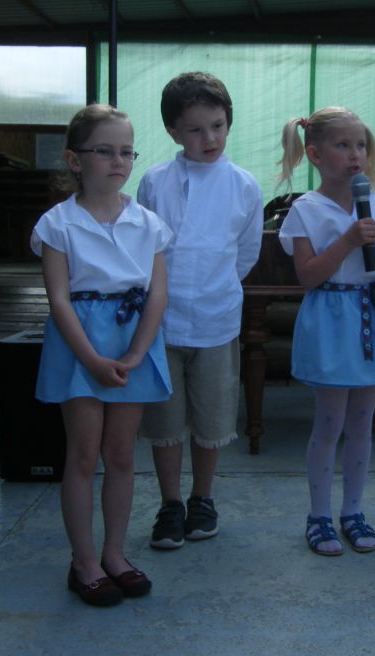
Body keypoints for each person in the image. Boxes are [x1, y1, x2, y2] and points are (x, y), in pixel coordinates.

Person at [31, 104, 173, 606]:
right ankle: (84, 560)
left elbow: (157, 295)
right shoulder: (58, 224)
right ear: (75, 160)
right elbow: (58, 299)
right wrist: (92, 360)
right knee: (83, 453)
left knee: (120, 453)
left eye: (127, 152)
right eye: (105, 151)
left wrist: (137, 353)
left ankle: (115, 553)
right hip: (80, 345)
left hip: (133, 341)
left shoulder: (148, 224)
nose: (119, 161)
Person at [277, 106, 375, 556]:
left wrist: (368, 250)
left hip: (372, 313)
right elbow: (308, 276)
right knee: (330, 421)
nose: (356, 154)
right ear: (315, 154)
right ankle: (318, 516)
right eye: (343, 145)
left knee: (362, 422)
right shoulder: (305, 210)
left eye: (361, 145)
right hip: (332, 317)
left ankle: (353, 511)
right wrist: (349, 239)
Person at [137, 72, 263, 550]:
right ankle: (170, 503)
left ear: (229, 123)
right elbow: (145, 249)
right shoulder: (154, 182)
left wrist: (216, 287)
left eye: (217, 126)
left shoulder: (244, 186)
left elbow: (245, 254)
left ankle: (202, 498)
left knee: (212, 418)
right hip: (162, 322)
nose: (209, 138)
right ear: (173, 131)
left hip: (216, 320)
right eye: (194, 129)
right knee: (165, 421)